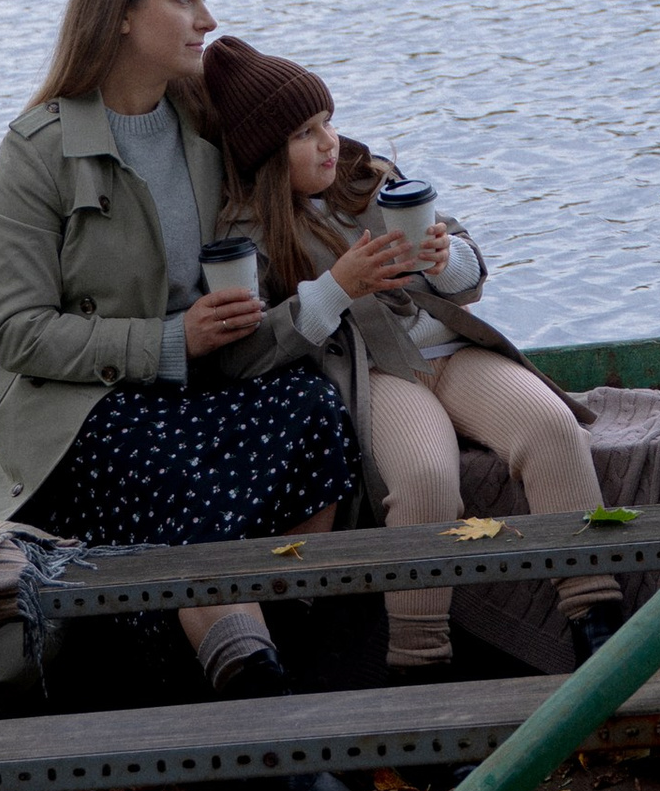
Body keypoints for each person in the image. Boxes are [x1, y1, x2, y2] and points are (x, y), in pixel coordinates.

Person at [0, 0, 380, 791]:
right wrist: (165, 341)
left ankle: (261, 692)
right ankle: (270, 768)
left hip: (192, 393)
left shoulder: (202, 121)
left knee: (317, 419)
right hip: (80, 416)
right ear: (120, 15)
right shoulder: (35, 151)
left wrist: (380, 204)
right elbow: (16, 331)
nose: (207, 17)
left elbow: (302, 135)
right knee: (182, 485)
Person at [203, 33, 624, 678]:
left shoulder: (369, 181)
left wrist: (443, 259)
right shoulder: (244, 234)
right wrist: (336, 288)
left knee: (550, 428)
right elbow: (249, 352)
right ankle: (420, 666)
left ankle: (599, 625)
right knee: (426, 481)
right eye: (304, 134)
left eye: (328, 122)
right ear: (264, 155)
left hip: (451, 351)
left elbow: (470, 265)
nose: (329, 142)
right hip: (376, 374)